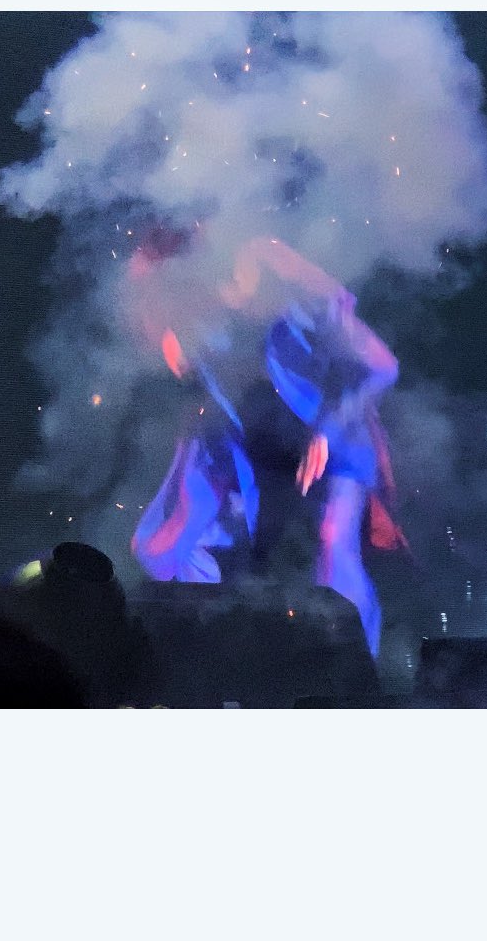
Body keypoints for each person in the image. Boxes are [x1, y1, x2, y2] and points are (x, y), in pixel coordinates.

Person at [131, 236, 402, 658]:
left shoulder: (283, 285)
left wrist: (327, 432)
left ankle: (357, 672)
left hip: (334, 439)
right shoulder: (186, 325)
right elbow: (207, 388)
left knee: (335, 547)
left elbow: (383, 367)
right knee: (163, 545)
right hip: (249, 442)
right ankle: (196, 653)